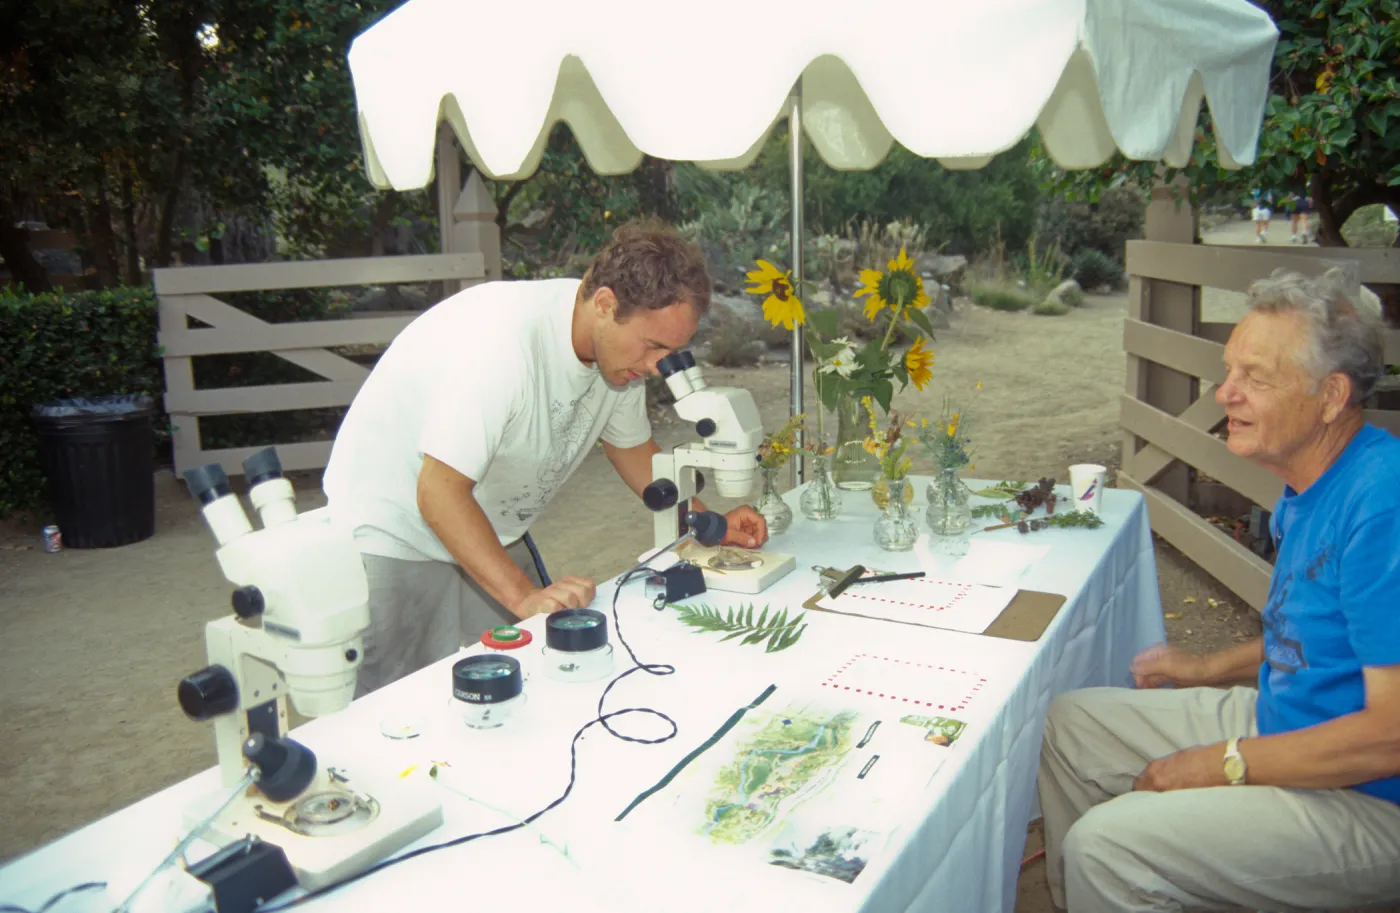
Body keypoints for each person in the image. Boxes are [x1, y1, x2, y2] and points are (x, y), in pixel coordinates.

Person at [1037, 269, 1400, 912]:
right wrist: (1211, 666)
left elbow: (1389, 735)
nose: (1225, 394)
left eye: (1256, 378)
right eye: (1230, 370)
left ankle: (1122, 877)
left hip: (1370, 798)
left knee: (1108, 846)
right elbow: (1319, 631)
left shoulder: (1383, 503)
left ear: (1331, 395)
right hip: (1285, 721)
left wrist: (1221, 764)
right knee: (1070, 724)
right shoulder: (1314, 478)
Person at [323, 219, 770, 696]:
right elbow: (438, 491)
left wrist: (711, 526)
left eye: (673, 351)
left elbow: (635, 451)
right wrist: (522, 595)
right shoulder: (503, 346)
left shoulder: (618, 359)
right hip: (396, 525)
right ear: (605, 304)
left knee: (538, 671)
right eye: (654, 346)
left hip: (485, 520)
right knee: (395, 701)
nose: (657, 366)